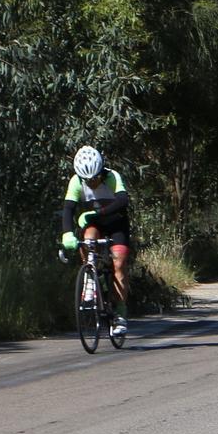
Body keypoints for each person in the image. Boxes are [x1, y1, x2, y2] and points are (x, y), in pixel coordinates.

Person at [61, 145, 131, 340]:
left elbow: (123, 201)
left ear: (101, 171)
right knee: (87, 239)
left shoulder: (112, 177)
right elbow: (68, 209)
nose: (92, 182)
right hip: (95, 225)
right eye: (87, 180)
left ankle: (120, 314)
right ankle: (90, 275)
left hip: (117, 224)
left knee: (119, 263)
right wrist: (67, 234)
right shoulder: (76, 182)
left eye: (95, 178)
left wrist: (96, 213)